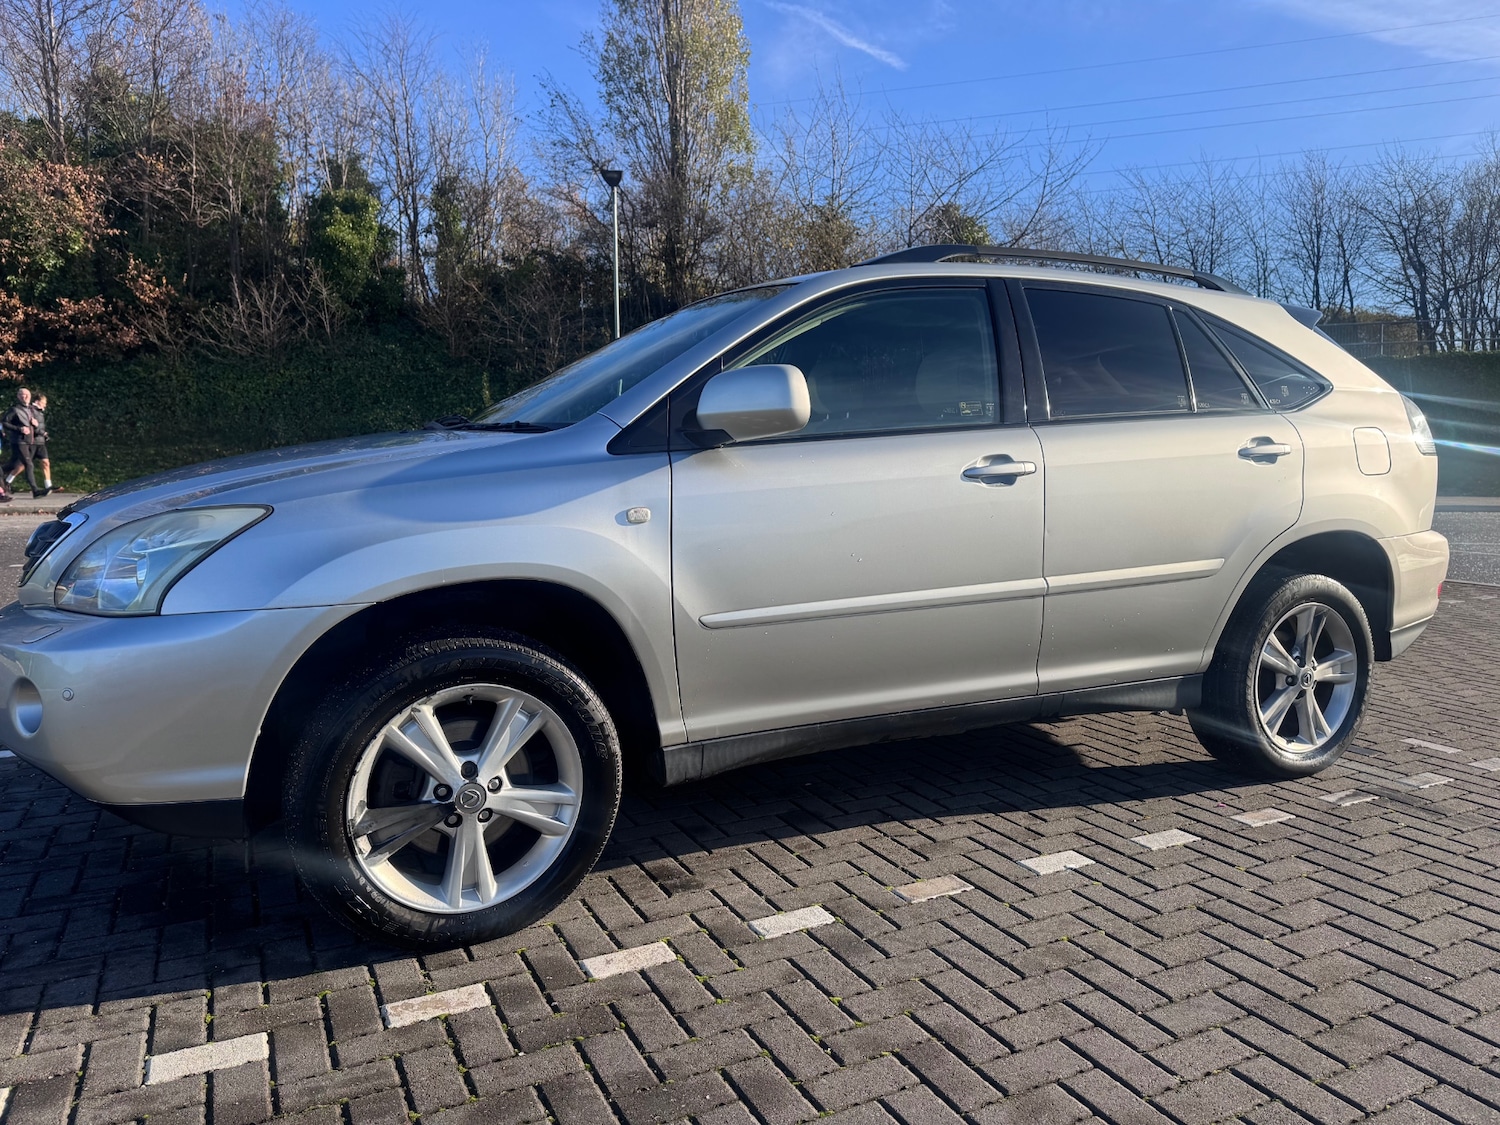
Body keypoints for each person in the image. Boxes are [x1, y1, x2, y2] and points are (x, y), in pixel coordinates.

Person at [2, 387, 43, 498]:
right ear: (18, 397)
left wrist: (36, 425)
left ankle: (1, 475)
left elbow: (35, 423)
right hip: (19, 441)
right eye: (22, 394)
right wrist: (19, 429)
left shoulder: (31, 409)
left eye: (27, 394)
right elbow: (5, 422)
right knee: (28, 464)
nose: (25, 396)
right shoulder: (15, 410)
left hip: (29, 441)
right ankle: (35, 491)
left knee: (13, 464)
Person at [30, 393, 51, 493]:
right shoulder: (31, 411)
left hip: (40, 442)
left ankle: (48, 486)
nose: (45, 405)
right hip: (32, 442)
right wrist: (43, 433)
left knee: (46, 462)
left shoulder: (40, 412)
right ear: (37, 402)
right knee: (22, 465)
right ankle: (7, 481)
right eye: (43, 402)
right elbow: (32, 426)